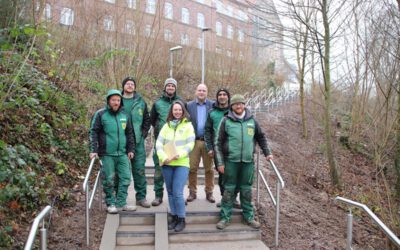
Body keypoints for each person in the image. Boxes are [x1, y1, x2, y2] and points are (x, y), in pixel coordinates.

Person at [214, 94, 273, 229]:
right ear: (232, 106)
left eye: (240, 103)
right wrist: (220, 163)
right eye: (235, 104)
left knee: (246, 190)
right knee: (229, 189)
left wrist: (267, 153)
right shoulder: (226, 120)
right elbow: (217, 143)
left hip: (247, 162)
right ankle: (225, 217)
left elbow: (261, 137)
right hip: (230, 162)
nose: (238, 106)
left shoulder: (252, 121)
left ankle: (248, 217)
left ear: (244, 105)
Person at [89, 89, 136, 214]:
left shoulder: (124, 115)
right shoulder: (100, 114)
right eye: (113, 100)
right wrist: (93, 149)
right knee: (109, 179)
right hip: (107, 154)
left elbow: (129, 133)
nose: (116, 102)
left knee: (126, 177)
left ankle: (121, 203)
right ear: (109, 101)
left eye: (118, 100)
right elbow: (93, 132)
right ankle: (110, 203)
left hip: (122, 153)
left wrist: (131, 149)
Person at [156, 100, 195, 232]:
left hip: (181, 163)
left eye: (179, 110)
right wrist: (163, 157)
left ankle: (181, 218)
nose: (177, 112)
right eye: (175, 110)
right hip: (167, 163)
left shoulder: (188, 126)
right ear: (171, 111)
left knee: (178, 192)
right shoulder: (166, 126)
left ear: (183, 111)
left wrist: (180, 154)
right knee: (170, 192)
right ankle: (173, 216)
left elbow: (190, 144)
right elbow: (158, 144)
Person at [204, 88, 240, 208]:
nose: (222, 96)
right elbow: (207, 131)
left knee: (235, 175)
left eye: (225, 94)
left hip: (233, 149)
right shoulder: (212, 112)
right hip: (218, 149)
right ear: (217, 97)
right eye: (220, 94)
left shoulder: (234, 111)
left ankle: (234, 199)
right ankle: (224, 199)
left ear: (228, 97)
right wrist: (209, 147)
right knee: (222, 175)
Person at [150, 78, 183, 206]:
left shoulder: (180, 102)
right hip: (162, 143)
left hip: (177, 143)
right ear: (165, 88)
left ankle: (177, 196)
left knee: (177, 171)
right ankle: (158, 196)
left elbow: (186, 119)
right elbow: (153, 120)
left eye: (172, 86)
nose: (170, 87)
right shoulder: (158, 103)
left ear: (175, 88)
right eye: (168, 85)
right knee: (159, 171)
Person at [121, 77, 151, 208]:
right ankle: (119, 198)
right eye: (127, 84)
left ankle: (141, 197)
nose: (129, 86)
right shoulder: (117, 100)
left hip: (138, 142)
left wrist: (143, 134)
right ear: (123, 86)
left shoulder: (140, 101)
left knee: (139, 170)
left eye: (132, 84)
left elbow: (147, 120)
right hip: (121, 142)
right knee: (120, 171)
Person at [186, 84, 215, 203]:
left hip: (208, 142)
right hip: (194, 141)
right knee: (192, 168)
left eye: (204, 90)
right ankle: (192, 192)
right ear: (196, 92)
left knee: (209, 169)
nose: (201, 92)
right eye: (199, 90)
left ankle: (209, 192)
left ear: (207, 92)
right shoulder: (189, 105)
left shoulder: (213, 105)